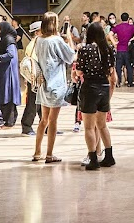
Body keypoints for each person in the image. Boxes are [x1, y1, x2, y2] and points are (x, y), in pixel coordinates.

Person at [31, 12, 76, 163]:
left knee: (43, 120)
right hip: (56, 84)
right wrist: (69, 38)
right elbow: (70, 56)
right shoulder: (56, 40)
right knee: (53, 121)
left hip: (43, 84)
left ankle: (37, 152)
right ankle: (49, 154)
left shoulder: (38, 40)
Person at [75, 21, 117, 170]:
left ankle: (93, 158)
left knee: (88, 127)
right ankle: (109, 156)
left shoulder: (85, 49)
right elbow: (111, 70)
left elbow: (79, 71)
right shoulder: (109, 49)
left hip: (90, 88)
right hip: (104, 87)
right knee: (102, 125)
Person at [20, 20, 43, 135]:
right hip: (36, 78)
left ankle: (47, 126)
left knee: (42, 103)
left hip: (36, 78)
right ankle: (26, 126)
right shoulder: (36, 44)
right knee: (33, 103)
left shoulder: (34, 43)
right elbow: (34, 62)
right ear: (37, 32)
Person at [110, 12, 134, 88]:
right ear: (128, 19)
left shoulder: (117, 27)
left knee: (118, 66)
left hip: (119, 49)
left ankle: (118, 82)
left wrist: (114, 42)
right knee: (129, 66)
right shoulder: (131, 27)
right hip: (128, 49)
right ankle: (130, 82)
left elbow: (110, 34)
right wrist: (132, 39)